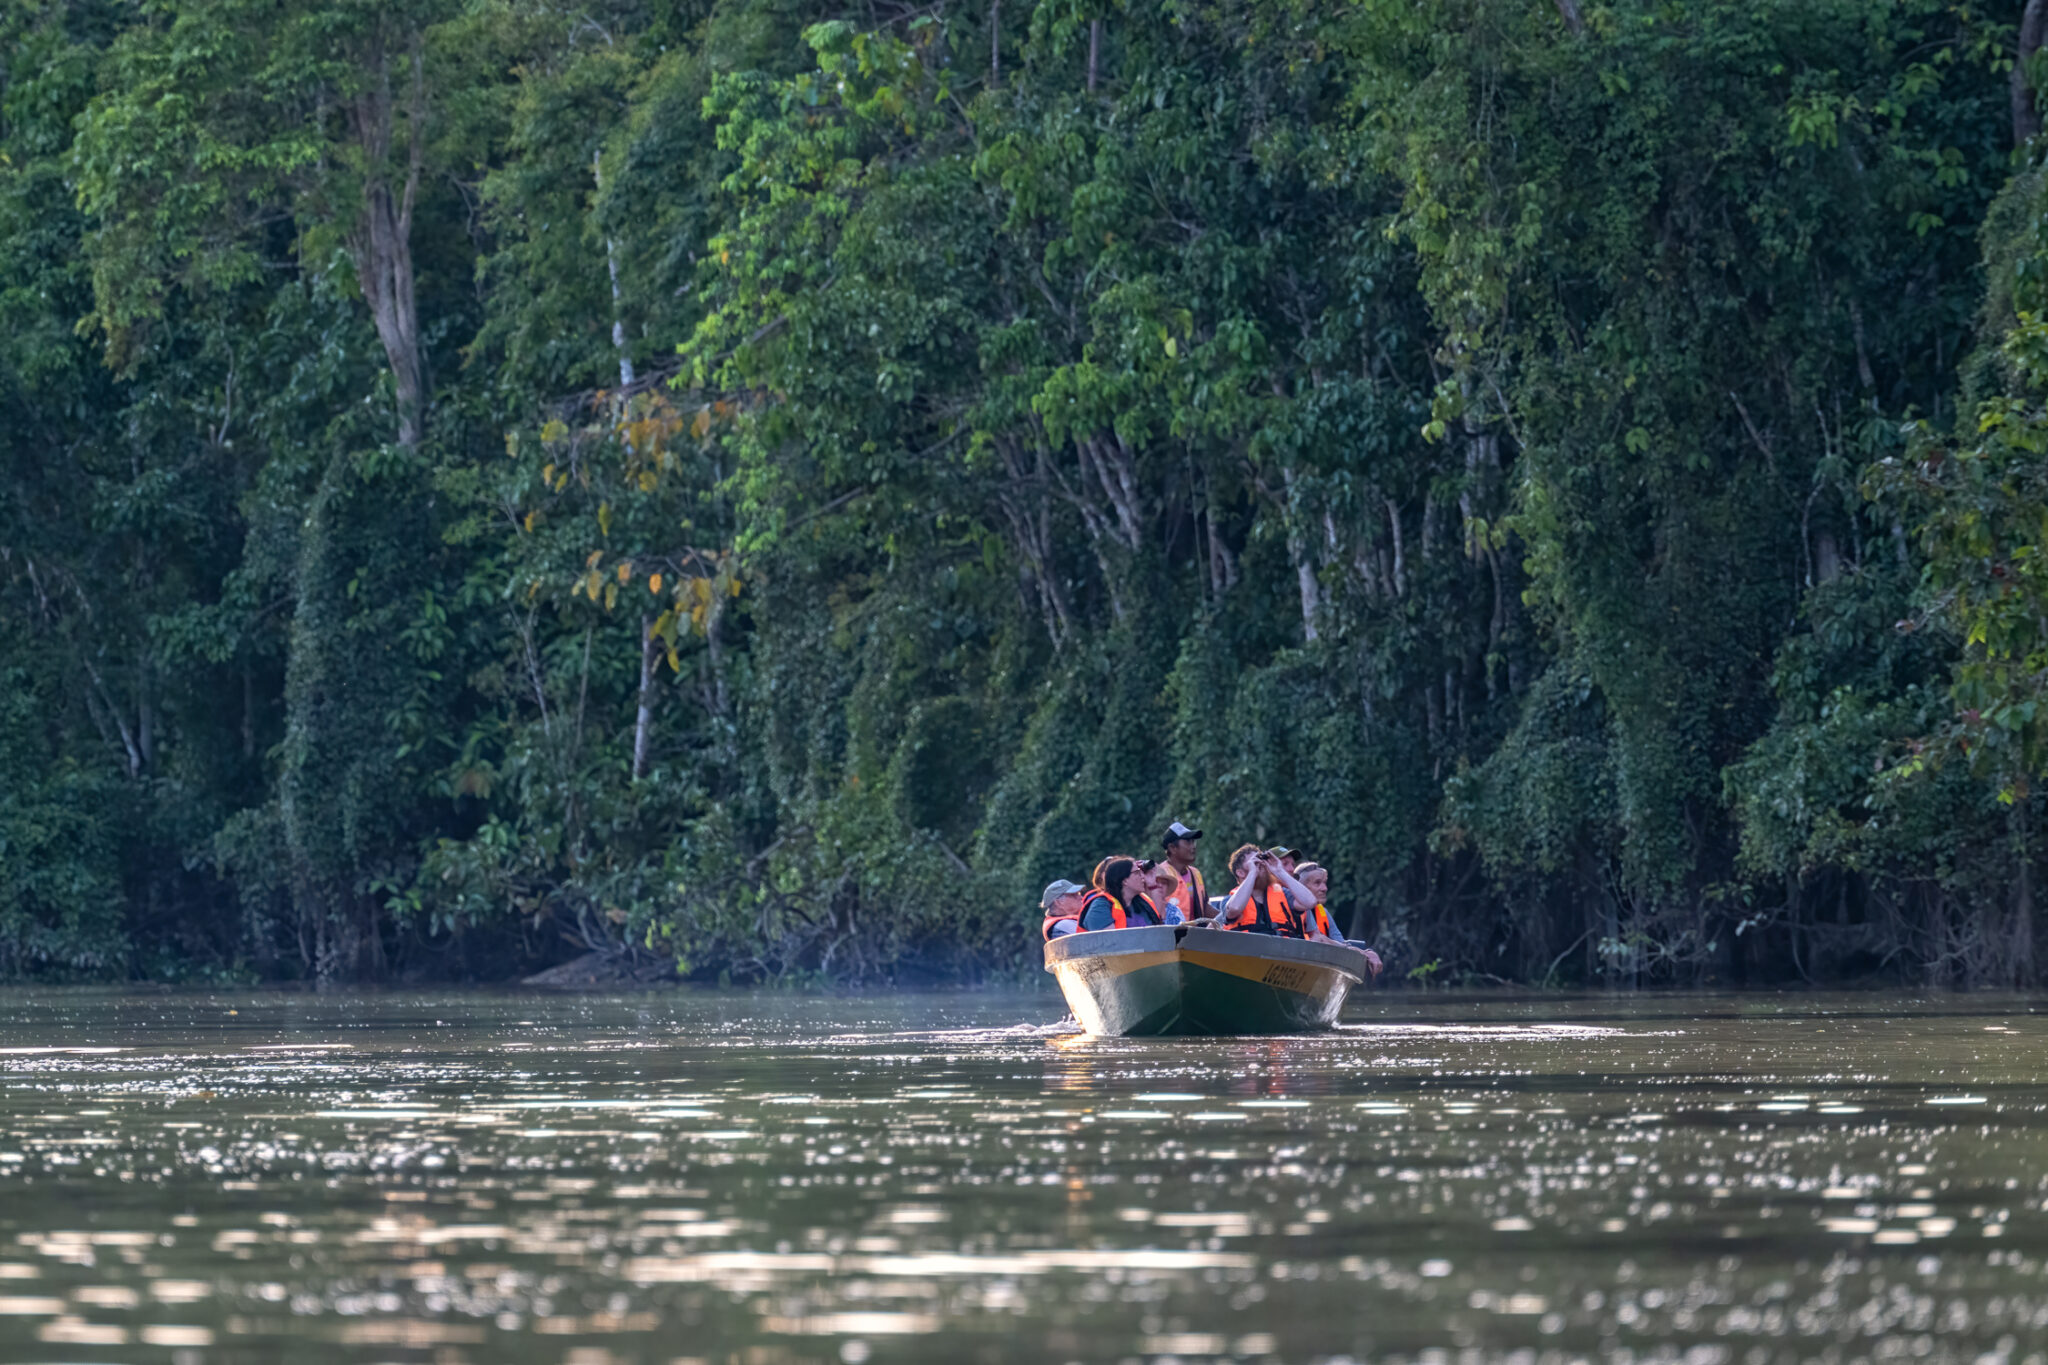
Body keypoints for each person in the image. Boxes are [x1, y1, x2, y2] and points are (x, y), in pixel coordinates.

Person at [1293, 862, 1384, 978]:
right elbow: (1318, 939)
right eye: (1317, 883)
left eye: (1325, 883)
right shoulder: (1291, 908)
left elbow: (1341, 943)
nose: (1324, 888)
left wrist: (1368, 952)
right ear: (1300, 887)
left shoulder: (1323, 912)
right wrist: (1363, 953)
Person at [1220, 844, 1316, 936]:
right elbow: (1235, 908)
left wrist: (1280, 871)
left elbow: (1310, 902)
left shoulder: (1283, 894)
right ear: (1240, 873)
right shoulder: (1230, 900)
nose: (1261, 864)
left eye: (1261, 859)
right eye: (1255, 862)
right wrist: (1252, 873)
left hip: (1280, 950)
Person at [1078, 856, 1171, 931]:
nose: (1143, 877)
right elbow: (1110, 945)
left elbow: (1160, 924)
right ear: (1124, 880)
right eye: (1138, 873)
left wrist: (1152, 885)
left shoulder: (1141, 901)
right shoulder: (1100, 906)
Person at [1160, 821, 1207, 920]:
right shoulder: (1160, 874)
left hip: (1196, 934)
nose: (1193, 846)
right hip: (1172, 934)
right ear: (1172, 848)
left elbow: (1204, 907)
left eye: (1193, 841)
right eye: (1188, 842)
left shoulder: (1195, 873)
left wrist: (1224, 918)